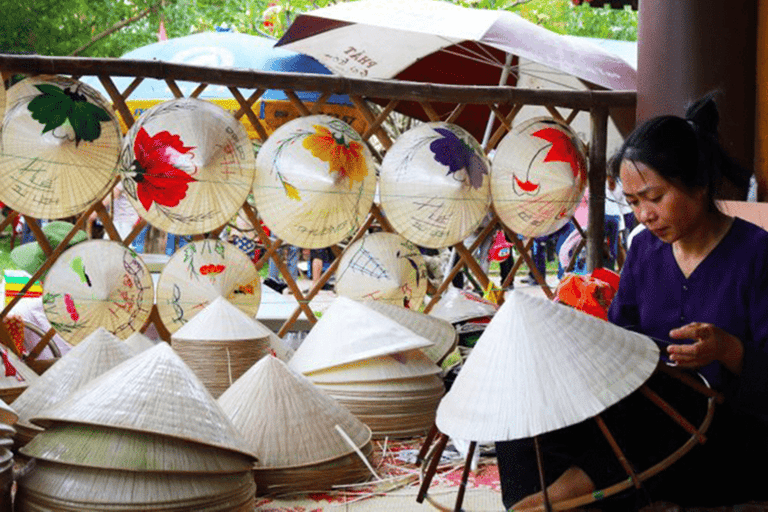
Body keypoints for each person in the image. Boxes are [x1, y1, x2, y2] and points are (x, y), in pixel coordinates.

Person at [497, 94, 766, 511]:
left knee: (671, 399)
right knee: (526, 398)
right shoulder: (644, 252)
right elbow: (621, 341)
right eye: (634, 201)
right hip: (643, 430)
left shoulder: (756, 254)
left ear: (697, 183)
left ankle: (557, 498)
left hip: (726, 439)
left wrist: (727, 350)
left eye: (654, 197)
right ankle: (530, 503)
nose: (643, 214)